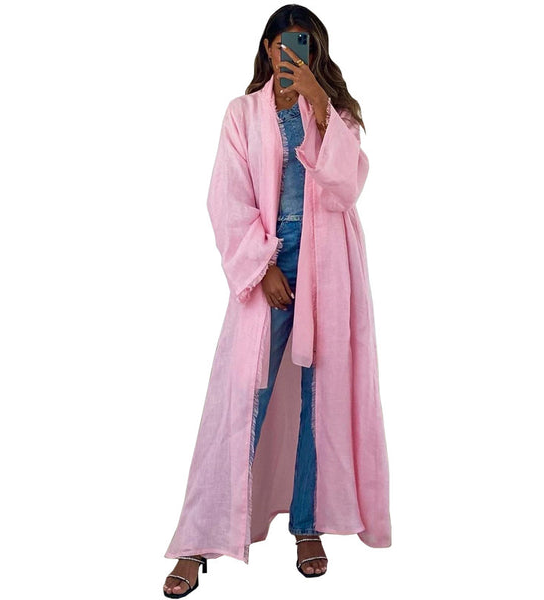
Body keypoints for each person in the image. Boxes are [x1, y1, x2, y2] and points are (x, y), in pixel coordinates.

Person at [163, 4, 391, 597]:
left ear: (317, 52)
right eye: (286, 43)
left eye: (305, 44)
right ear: (268, 48)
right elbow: (226, 197)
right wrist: (261, 266)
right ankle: (198, 538)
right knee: (240, 398)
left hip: (330, 267)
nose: (294, 53)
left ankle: (308, 525)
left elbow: (345, 189)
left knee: (322, 401)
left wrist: (319, 103)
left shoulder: (337, 113)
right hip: (268, 262)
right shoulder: (242, 114)